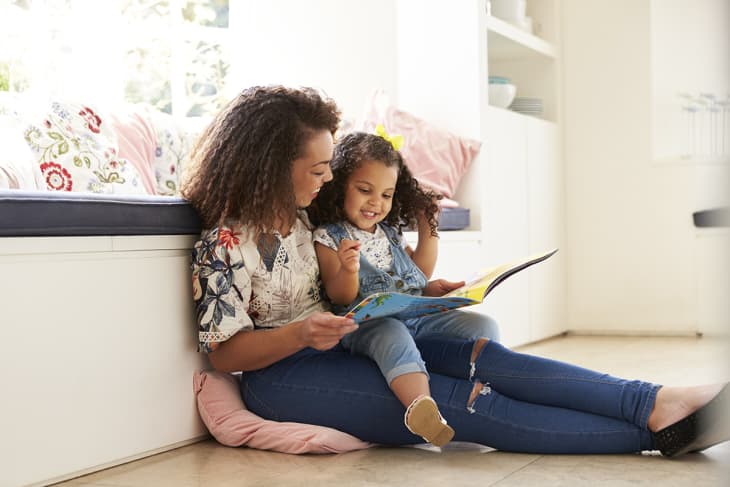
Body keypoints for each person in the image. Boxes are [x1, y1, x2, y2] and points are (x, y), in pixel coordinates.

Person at [182, 84, 729, 457]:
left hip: (352, 339)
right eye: (318, 169)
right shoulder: (222, 245)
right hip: (287, 378)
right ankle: (654, 435)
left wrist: (420, 294)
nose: (327, 180)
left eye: (330, 168)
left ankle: (656, 401)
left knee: (492, 361)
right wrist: (300, 332)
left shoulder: (310, 221)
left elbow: (366, 258)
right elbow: (225, 352)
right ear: (271, 169)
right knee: (465, 405)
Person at [307, 131, 498, 447]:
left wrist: (429, 232)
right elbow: (339, 296)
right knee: (391, 334)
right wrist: (348, 269)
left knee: (483, 325)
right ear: (340, 186)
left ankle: (483, 388)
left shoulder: (389, 232)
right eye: (365, 190)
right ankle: (422, 408)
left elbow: (417, 275)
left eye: (386, 195)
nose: (376, 203)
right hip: (366, 325)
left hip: (413, 315)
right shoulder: (330, 236)